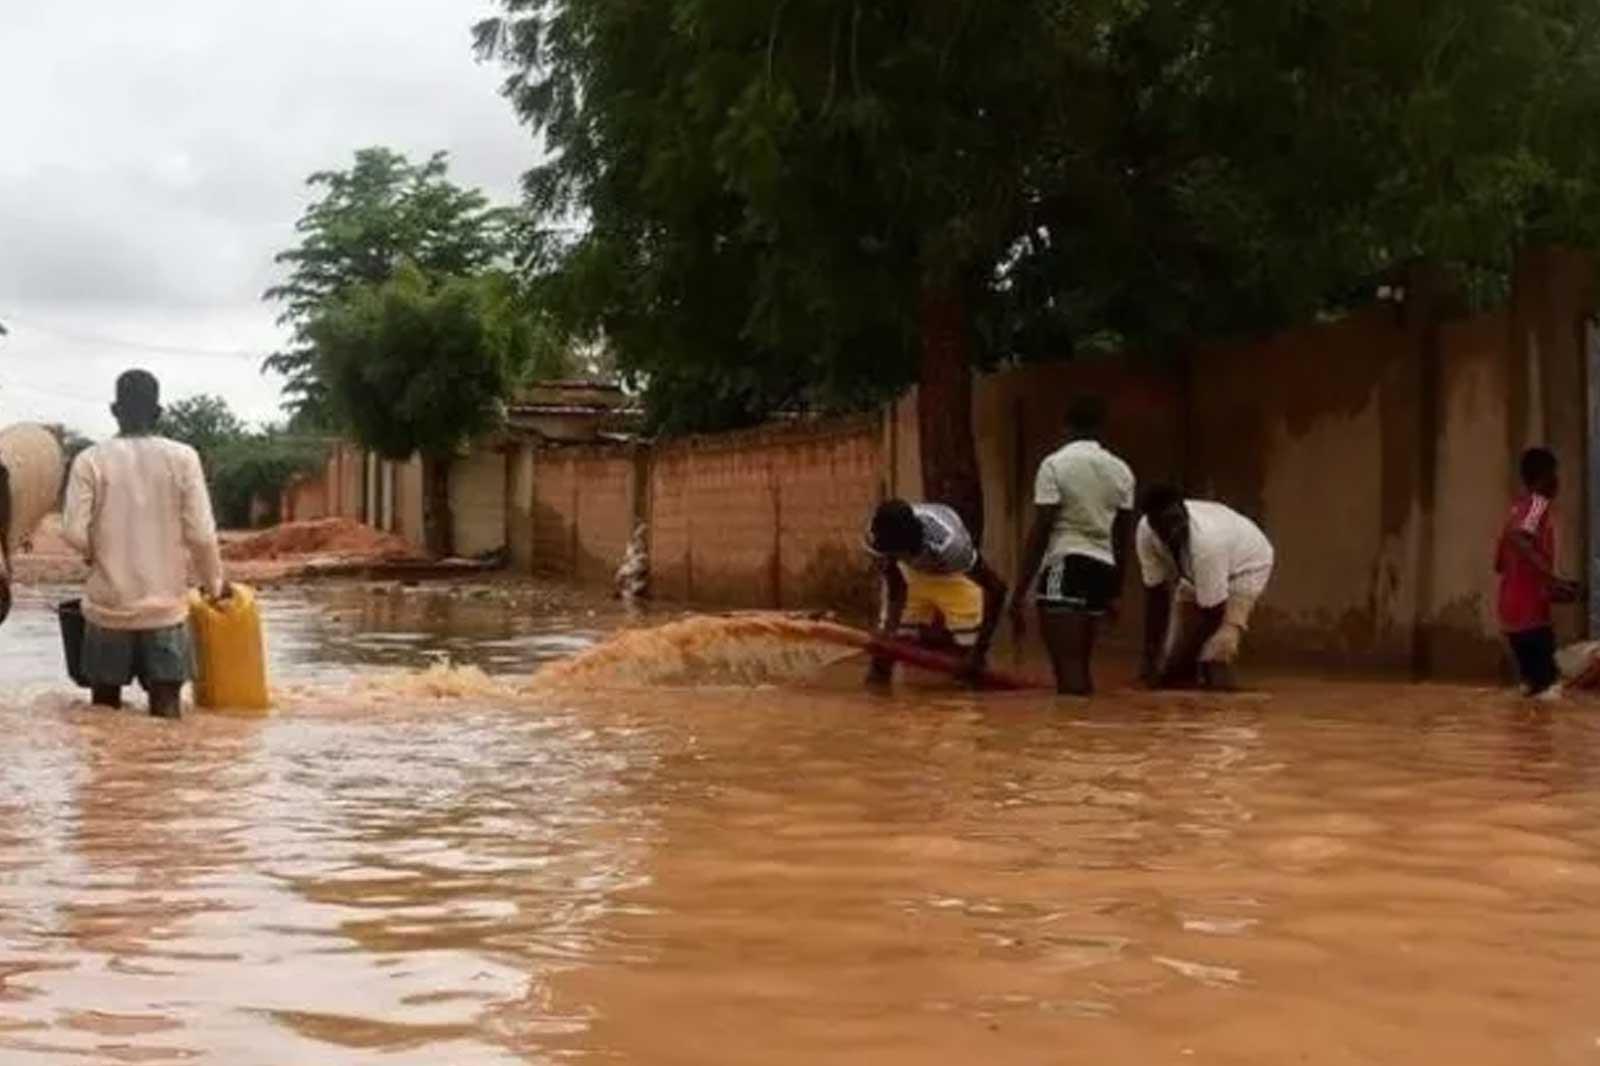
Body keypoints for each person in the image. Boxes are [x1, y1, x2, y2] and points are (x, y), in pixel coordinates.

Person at [62, 370, 227, 718]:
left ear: (113, 410)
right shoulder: (183, 458)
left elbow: (73, 532)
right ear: (159, 413)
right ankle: (161, 771)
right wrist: (214, 585)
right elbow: (201, 534)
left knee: (104, 719)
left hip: (108, 611)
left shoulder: (90, 460)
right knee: (167, 717)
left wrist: (95, 553)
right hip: (165, 613)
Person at [1010, 396, 1136, 695]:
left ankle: (1067, 735)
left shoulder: (1055, 465)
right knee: (1080, 666)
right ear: (1101, 430)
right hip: (1102, 570)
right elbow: (1122, 535)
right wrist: (1115, 591)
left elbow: (1043, 528)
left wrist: (1019, 591)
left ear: (1065, 427)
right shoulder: (1121, 470)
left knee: (1067, 669)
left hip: (1066, 564)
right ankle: (1081, 736)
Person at [1137, 485, 1274, 690]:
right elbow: (1156, 595)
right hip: (1194, 571)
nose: (1175, 528)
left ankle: (1220, 699)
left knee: (1216, 651)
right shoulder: (1145, 533)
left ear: (1184, 512)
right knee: (1174, 652)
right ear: (1152, 523)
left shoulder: (1208, 543)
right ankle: (1184, 673)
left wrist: (1179, 667)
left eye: (1178, 520)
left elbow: (1213, 611)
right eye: (1167, 524)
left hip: (1246, 565)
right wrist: (1151, 656)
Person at [866, 499, 1008, 686]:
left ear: (909, 545)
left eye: (895, 552)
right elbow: (896, 585)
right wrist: (888, 634)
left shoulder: (952, 547)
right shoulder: (875, 535)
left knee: (969, 660)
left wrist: (979, 652)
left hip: (953, 574)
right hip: (910, 573)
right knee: (883, 654)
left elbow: (997, 589)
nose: (889, 556)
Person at [1496, 447, 1582, 699]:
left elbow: (1500, 564)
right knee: (1551, 687)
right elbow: (1520, 538)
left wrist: (1551, 585)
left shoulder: (1515, 509)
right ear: (1545, 477)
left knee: (1532, 689)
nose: (1558, 481)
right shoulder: (1537, 504)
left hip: (1510, 615)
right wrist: (1550, 576)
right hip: (1532, 616)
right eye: (1555, 474)